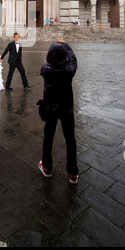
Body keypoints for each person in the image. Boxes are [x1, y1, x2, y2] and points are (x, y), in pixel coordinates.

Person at [38, 38, 79, 184]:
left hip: (50, 109)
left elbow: (53, 62)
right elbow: (73, 60)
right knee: (70, 140)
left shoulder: (45, 69)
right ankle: (73, 173)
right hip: (66, 109)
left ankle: (47, 167)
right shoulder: (69, 71)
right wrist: (66, 45)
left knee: (48, 137)